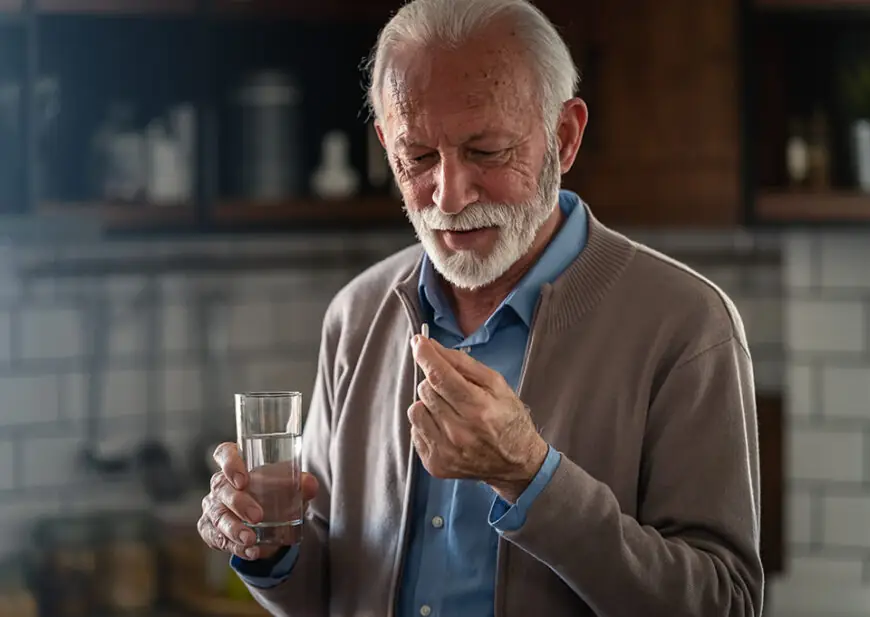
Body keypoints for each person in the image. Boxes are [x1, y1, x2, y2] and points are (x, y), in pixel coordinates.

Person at [197, 0, 764, 615]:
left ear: (564, 137)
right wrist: (266, 547)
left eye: (487, 151)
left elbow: (725, 602)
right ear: (386, 144)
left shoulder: (686, 325)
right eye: (416, 157)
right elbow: (330, 593)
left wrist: (531, 477)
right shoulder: (356, 316)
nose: (449, 194)